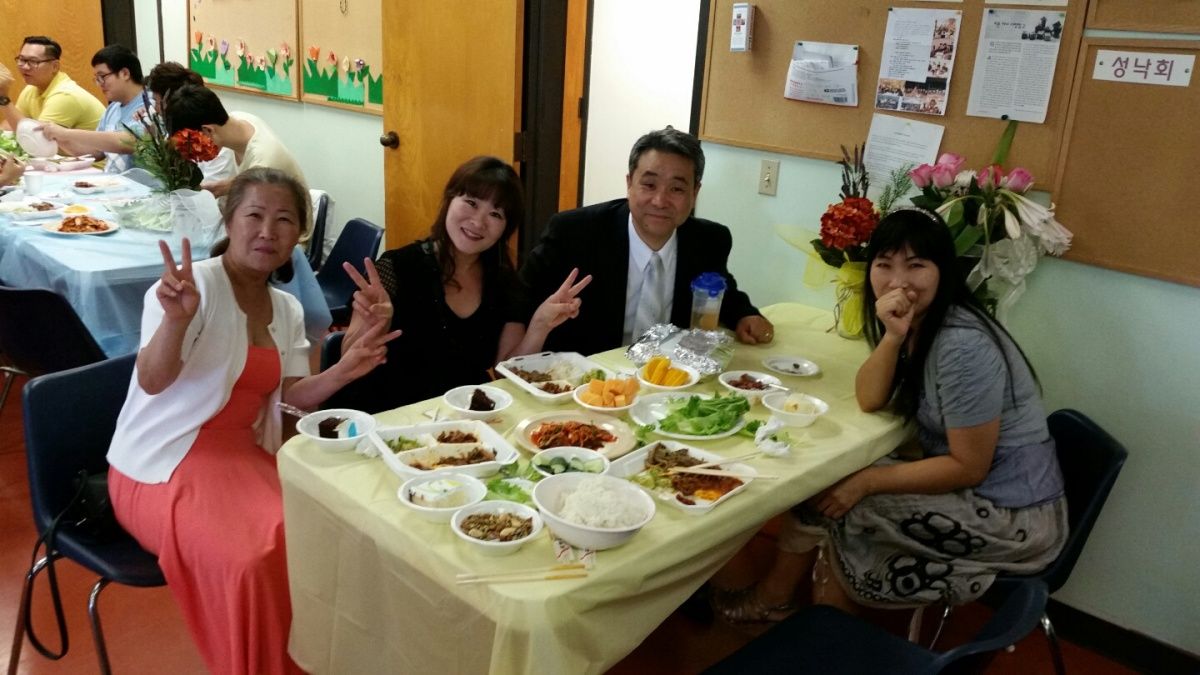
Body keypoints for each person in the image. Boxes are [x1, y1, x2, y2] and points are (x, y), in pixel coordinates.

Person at [106, 168, 399, 674]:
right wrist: (175, 320)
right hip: (162, 463)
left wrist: (345, 369)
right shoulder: (190, 287)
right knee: (257, 555)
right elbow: (152, 381)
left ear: (299, 235)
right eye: (255, 215)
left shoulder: (286, 308)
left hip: (244, 454)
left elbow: (290, 399)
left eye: (284, 220)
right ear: (229, 220)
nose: (268, 231)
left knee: (326, 530)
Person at [711, 208, 1067, 623]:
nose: (898, 281)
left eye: (916, 265)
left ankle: (809, 623)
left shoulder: (962, 345)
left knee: (846, 507)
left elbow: (969, 467)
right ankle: (779, 599)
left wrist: (866, 482)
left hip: (1011, 515)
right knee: (825, 485)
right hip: (980, 490)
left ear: (943, 271)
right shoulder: (915, 325)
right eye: (884, 265)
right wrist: (893, 337)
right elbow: (869, 398)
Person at [325, 156, 590, 413]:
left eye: (495, 214)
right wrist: (375, 324)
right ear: (449, 199)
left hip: (459, 418)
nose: (478, 222)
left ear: (506, 228)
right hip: (383, 413)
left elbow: (505, 372)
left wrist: (540, 324)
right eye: (471, 202)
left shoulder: (505, 284)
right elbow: (349, 359)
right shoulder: (396, 267)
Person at [520, 127, 773, 355]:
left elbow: (721, 292)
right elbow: (521, 300)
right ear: (629, 183)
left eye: (676, 189)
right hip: (588, 379)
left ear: (695, 193)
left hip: (668, 379)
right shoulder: (574, 232)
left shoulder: (709, 240)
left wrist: (745, 315)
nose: (660, 201)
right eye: (649, 185)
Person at [163, 83, 306, 201]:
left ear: (208, 131)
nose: (195, 156)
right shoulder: (239, 120)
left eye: (191, 146)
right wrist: (225, 187)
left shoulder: (263, 161)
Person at [35, 44, 151, 173]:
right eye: (96, 79)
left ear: (125, 73)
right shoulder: (113, 108)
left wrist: (66, 133)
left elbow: (129, 142)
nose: (99, 84)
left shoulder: (151, 104)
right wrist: (58, 138)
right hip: (113, 181)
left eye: (102, 77)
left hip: (140, 183)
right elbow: (96, 152)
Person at [144, 61, 236, 183]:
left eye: (156, 101)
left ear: (170, 102)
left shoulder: (216, 145)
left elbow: (209, 191)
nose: (155, 109)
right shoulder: (177, 129)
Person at [1, 36, 105, 131]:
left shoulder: (64, 95)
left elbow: (39, 138)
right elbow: (10, 125)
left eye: (33, 61)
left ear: (55, 66)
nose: (25, 67)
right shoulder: (31, 88)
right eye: (22, 59)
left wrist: (3, 97)